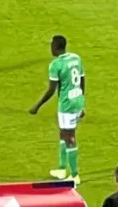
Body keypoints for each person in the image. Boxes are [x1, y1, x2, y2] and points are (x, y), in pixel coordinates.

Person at [29, 35, 86, 185]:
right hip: (77, 100)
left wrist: (37, 106)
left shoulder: (56, 65)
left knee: (69, 137)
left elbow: (51, 90)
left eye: (51, 46)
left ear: (55, 47)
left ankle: (74, 175)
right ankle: (61, 169)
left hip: (67, 105)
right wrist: (81, 102)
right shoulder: (76, 58)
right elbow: (82, 79)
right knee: (63, 132)